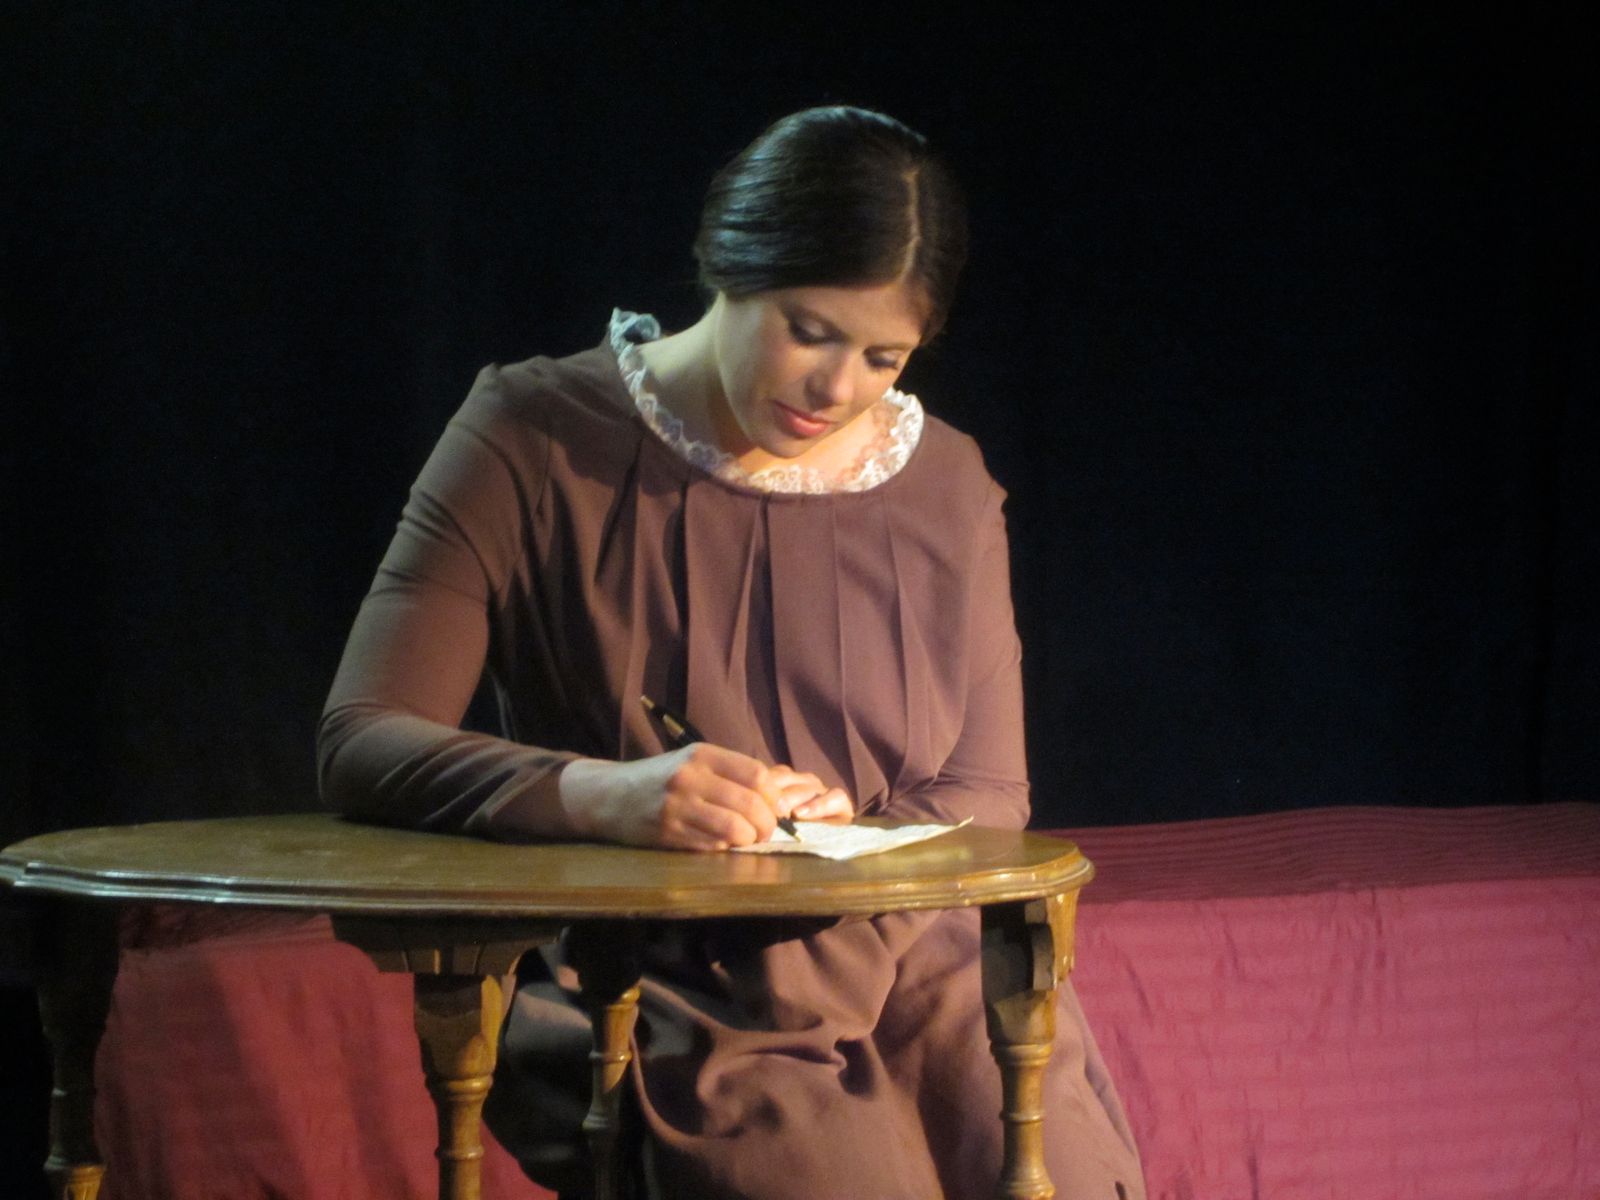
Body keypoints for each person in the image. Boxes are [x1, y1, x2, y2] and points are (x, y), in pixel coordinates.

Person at [319, 106, 1144, 1199]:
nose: (837, 389)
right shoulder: (531, 433)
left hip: (907, 943)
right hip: (662, 972)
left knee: (1051, 1172)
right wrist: (607, 794)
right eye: (809, 330)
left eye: (884, 356)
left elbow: (989, 791)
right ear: (727, 267)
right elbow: (362, 740)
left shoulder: (947, 481)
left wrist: (844, 844)